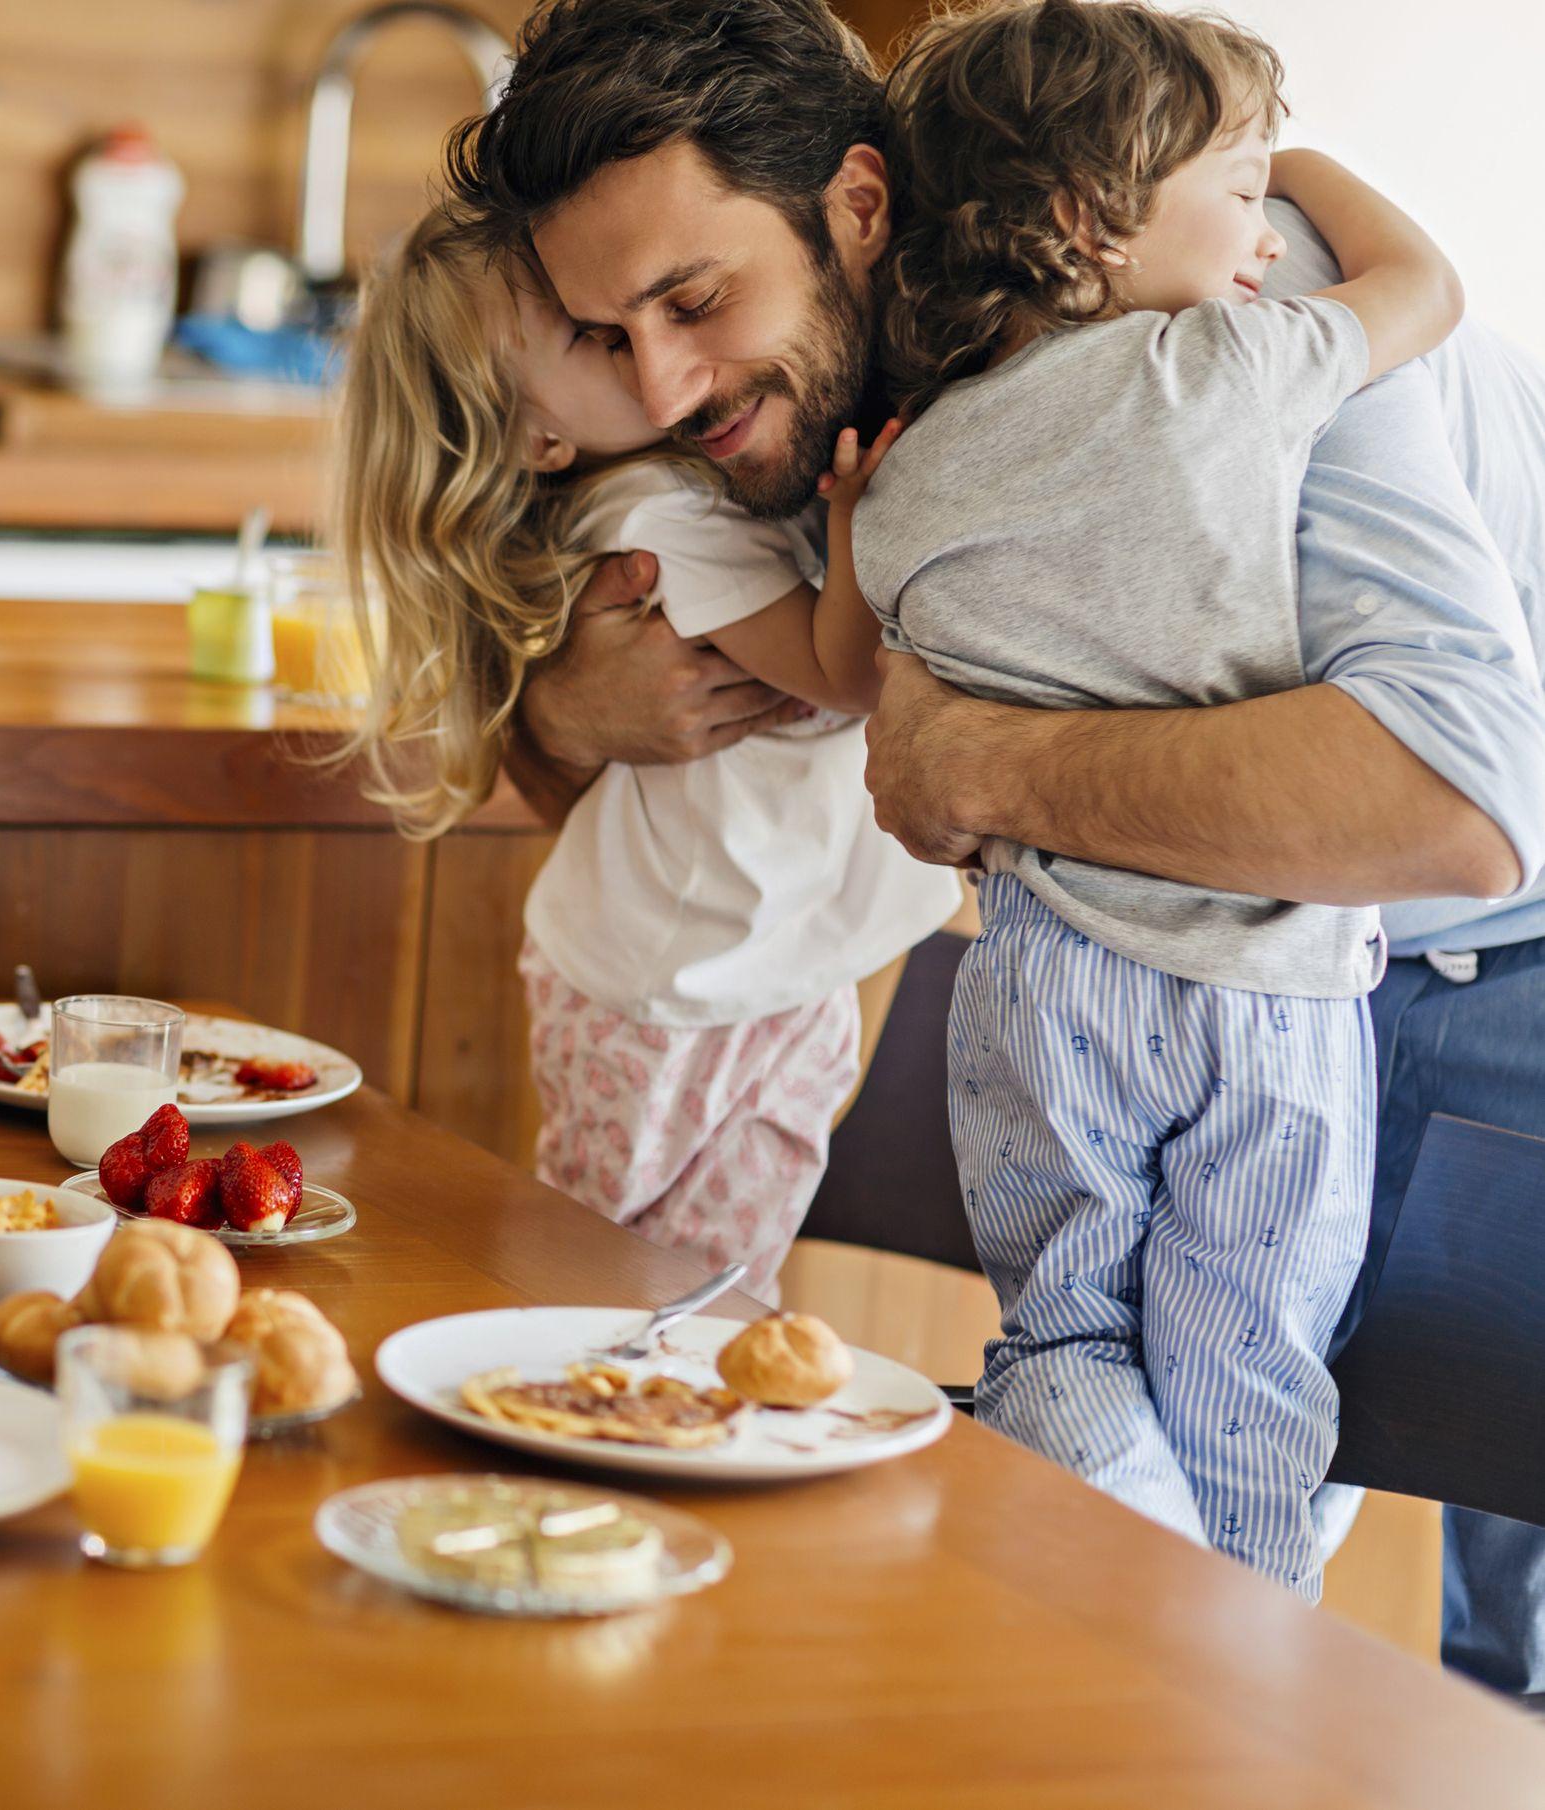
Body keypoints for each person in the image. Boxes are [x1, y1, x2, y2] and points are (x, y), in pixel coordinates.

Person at [452, 0, 1545, 1679]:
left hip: (1477, 990)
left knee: (1444, 1663)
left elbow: (1458, 811)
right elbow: (584, 745)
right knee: (1138, 1598)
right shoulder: (827, 423)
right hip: (1187, 979)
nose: (662, 387)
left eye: (696, 301)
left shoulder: (1239, 283)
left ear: (864, 208)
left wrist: (979, 763)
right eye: (612, 333)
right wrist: (573, 712)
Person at [838, 0, 1461, 1597]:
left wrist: (849, 518)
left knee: (1060, 1327)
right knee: (1248, 1359)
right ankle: (1225, 1671)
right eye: (1235, 189)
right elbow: (1421, 291)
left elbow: (865, 671)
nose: (1262, 233)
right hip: (1261, 986)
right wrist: (1315, 162)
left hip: (1044, 979)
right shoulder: (1227, 365)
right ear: (1082, 218)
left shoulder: (913, 466)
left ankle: (1121, 1615)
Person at [330, 206, 957, 1295]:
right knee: (610, 1289)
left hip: (751, 960)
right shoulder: (654, 513)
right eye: (596, 337)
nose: (652, 362)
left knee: (693, 1290)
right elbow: (844, 671)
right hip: (669, 984)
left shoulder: (687, 485)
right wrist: (862, 518)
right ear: (540, 436)